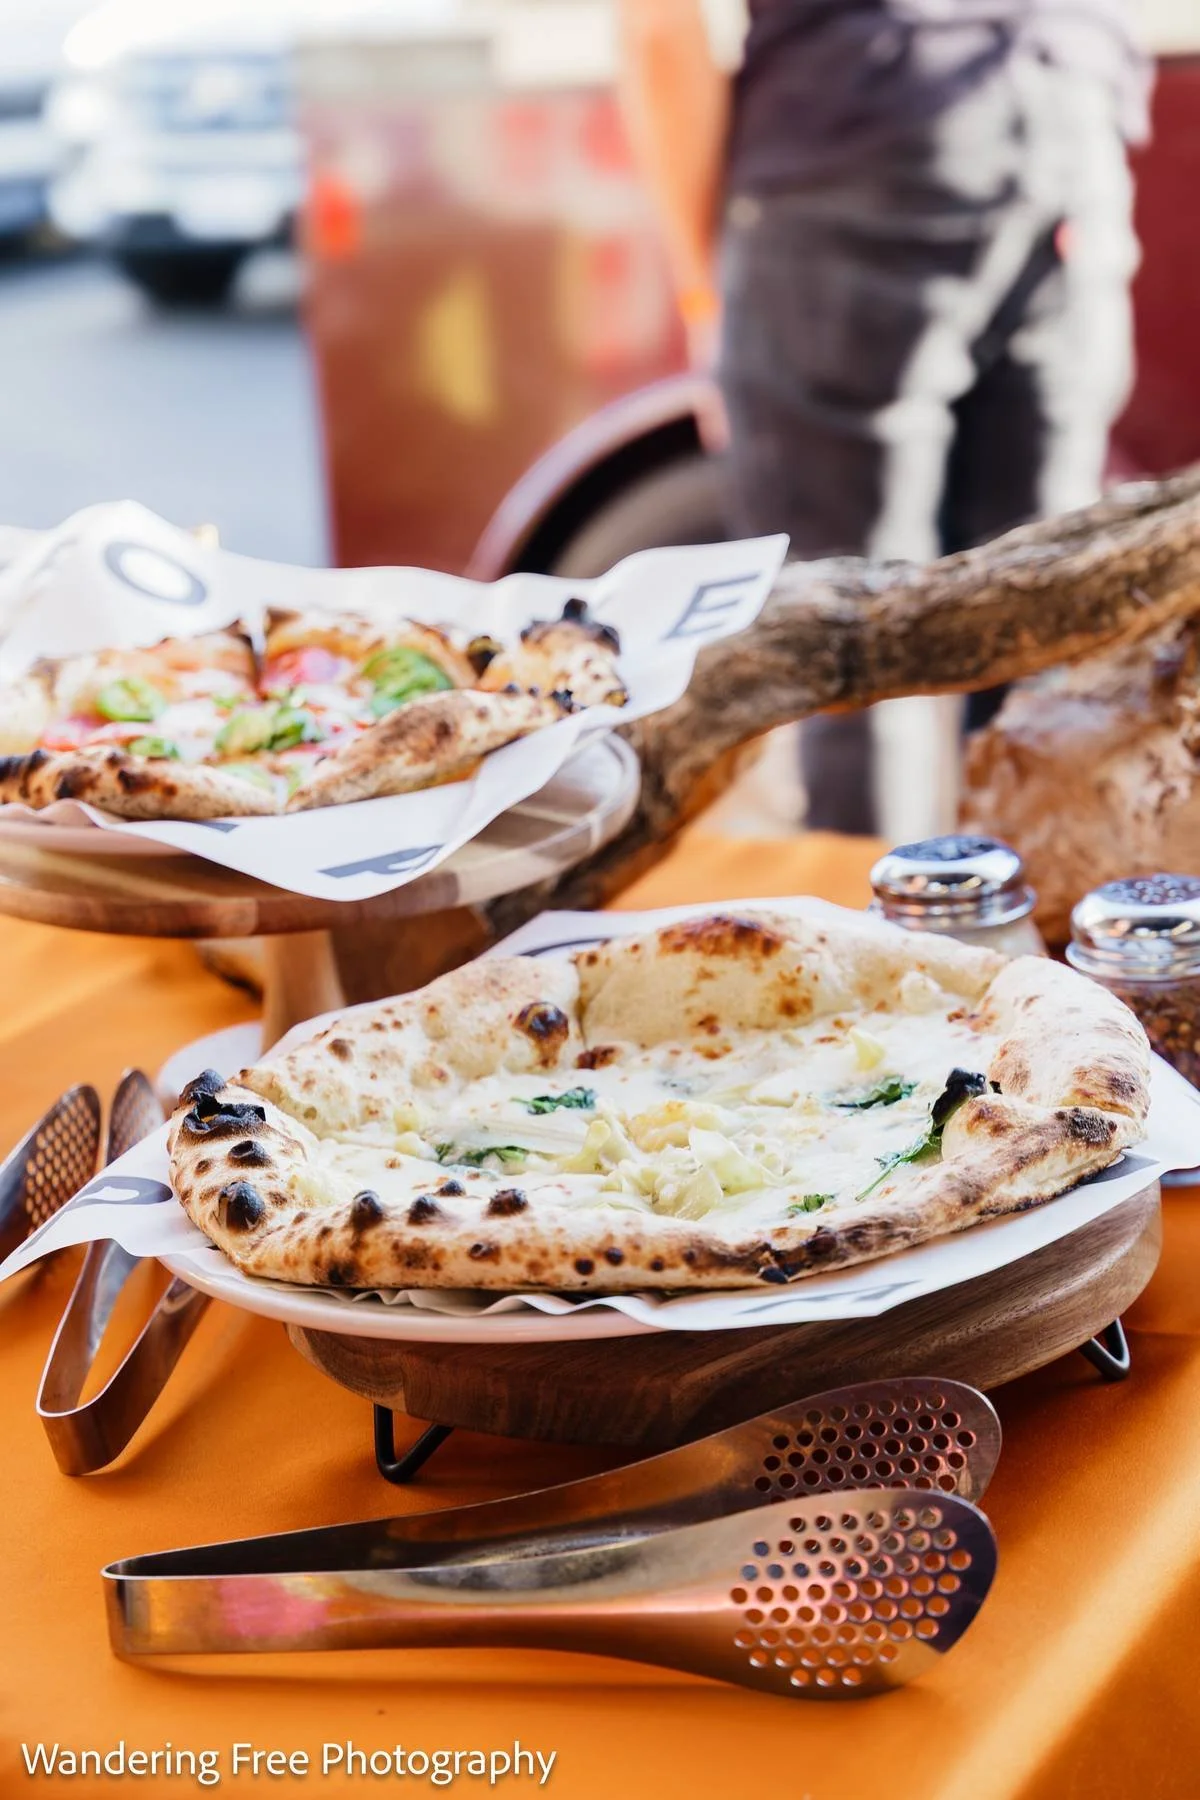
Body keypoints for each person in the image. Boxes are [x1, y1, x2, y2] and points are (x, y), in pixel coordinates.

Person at [616, 0, 1148, 834]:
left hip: (858, 126)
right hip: (1071, 117)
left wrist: (702, 291)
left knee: (854, 646)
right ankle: (1034, 951)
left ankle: (883, 953)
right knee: (1036, 631)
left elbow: (658, 28)